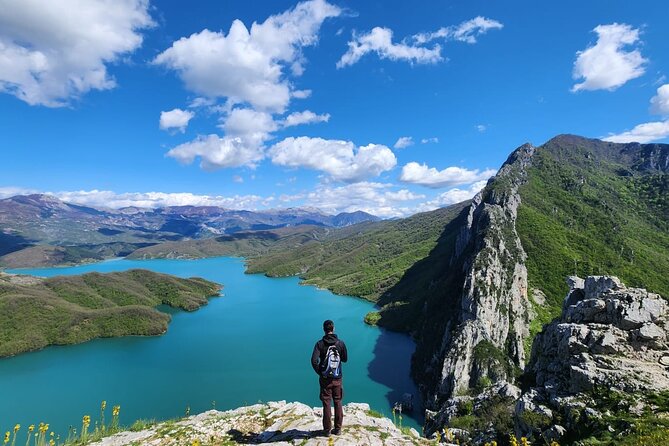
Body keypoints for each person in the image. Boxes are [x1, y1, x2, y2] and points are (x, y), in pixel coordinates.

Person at [311, 319, 348, 436]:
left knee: (326, 403)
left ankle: (327, 430)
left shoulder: (319, 344)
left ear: (324, 329)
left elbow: (314, 361)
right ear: (333, 329)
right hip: (337, 378)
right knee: (338, 401)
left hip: (325, 379)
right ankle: (338, 429)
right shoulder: (340, 343)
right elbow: (345, 359)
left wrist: (320, 373)